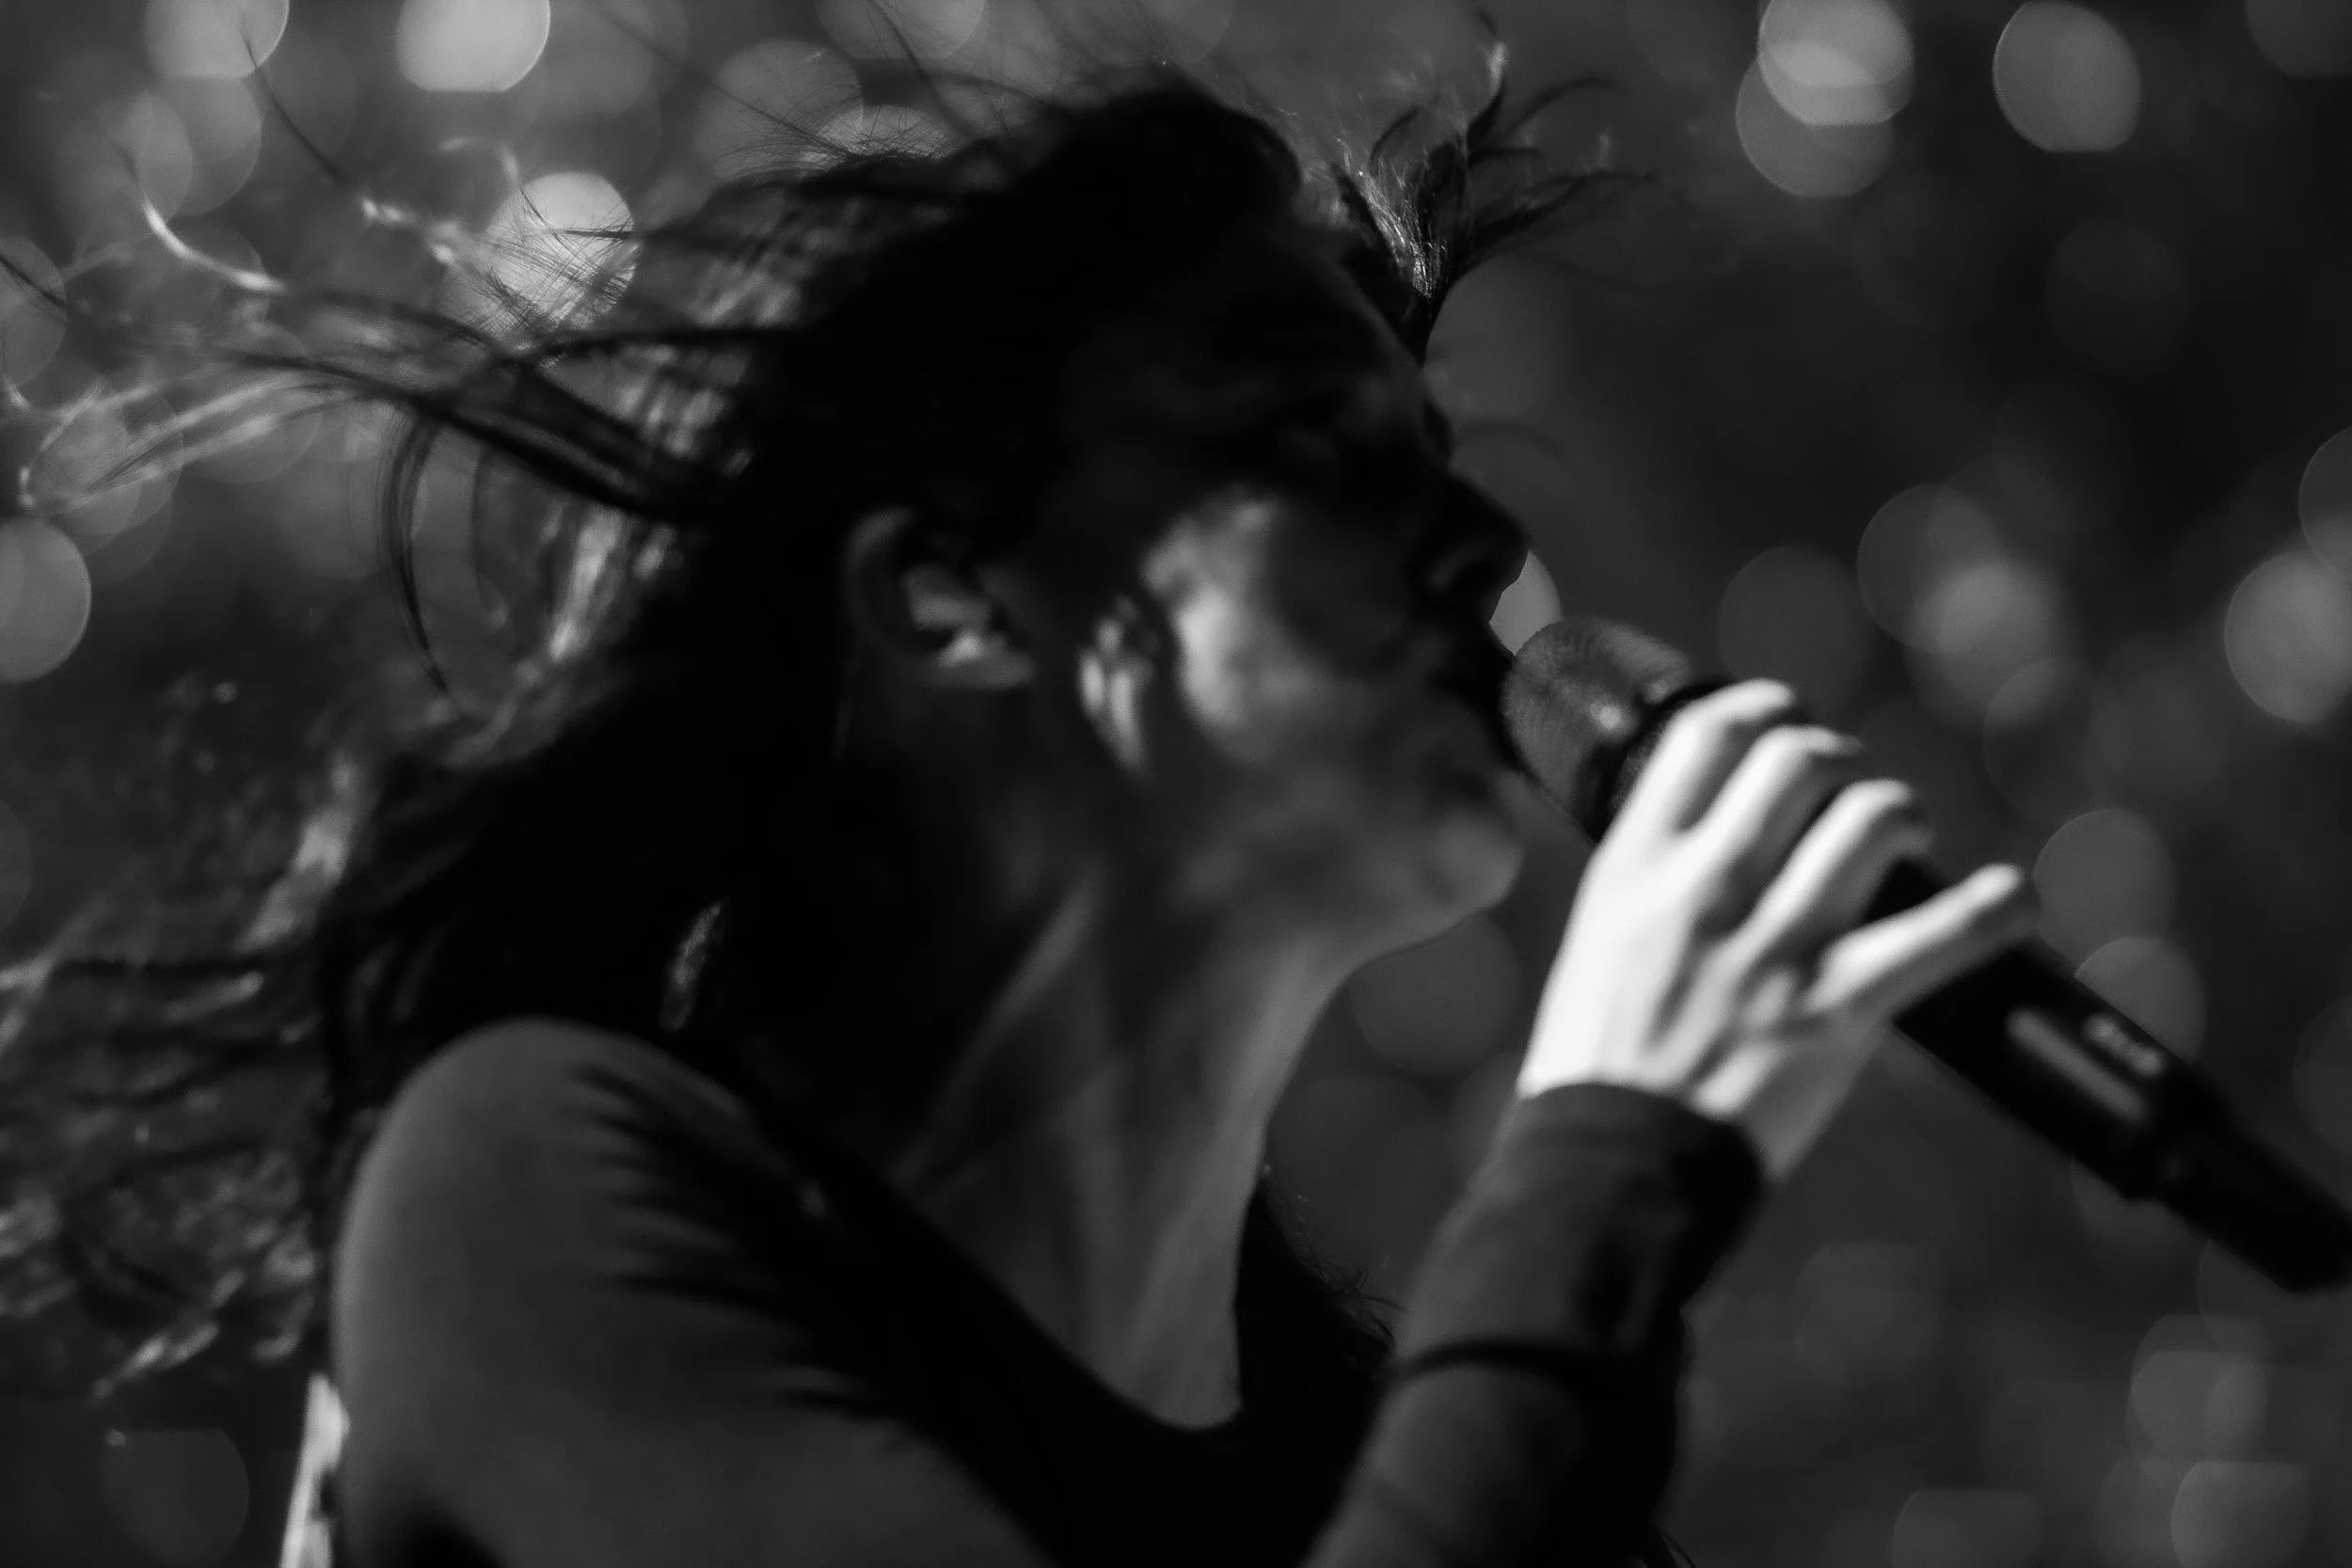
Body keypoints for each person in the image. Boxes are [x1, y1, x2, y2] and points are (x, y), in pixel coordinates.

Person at [0, 55, 2039, 1568]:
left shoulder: (1361, 1460)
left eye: (1445, 453)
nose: (1479, 533)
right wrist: (1604, 1165)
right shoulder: (532, 1187)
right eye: (1315, 445)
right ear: (947, 597)